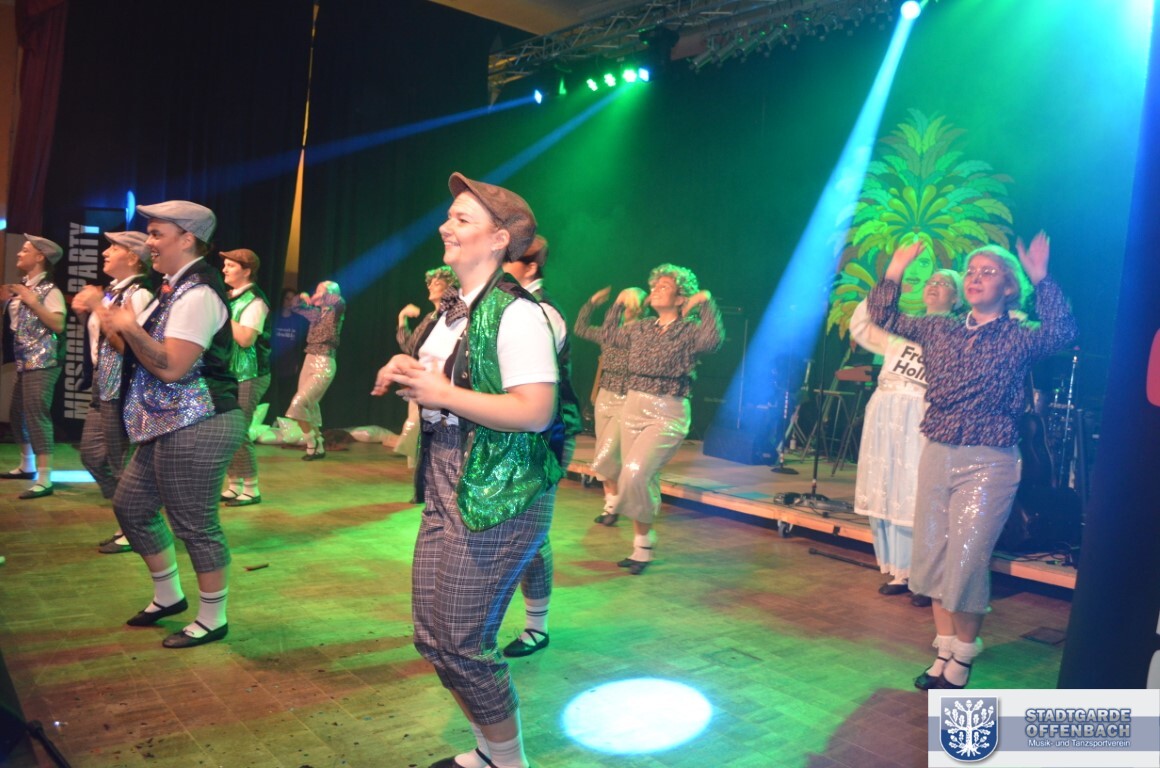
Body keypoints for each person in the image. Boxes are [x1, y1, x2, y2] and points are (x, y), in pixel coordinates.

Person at [372, 172, 560, 768]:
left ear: (500, 238)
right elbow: (450, 379)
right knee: (433, 638)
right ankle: (490, 752)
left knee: (460, 642)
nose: (444, 227)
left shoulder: (517, 314)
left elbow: (535, 411)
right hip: (448, 475)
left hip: (498, 487)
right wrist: (407, 367)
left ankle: (509, 763)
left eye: (461, 219)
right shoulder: (455, 310)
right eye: (448, 216)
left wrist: (442, 393)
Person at [868, 234, 1076, 689]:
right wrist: (896, 267)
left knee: (966, 560)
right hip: (937, 451)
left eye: (989, 272)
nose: (976, 277)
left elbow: (1062, 333)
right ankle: (943, 649)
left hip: (989, 460)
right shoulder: (939, 328)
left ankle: (963, 654)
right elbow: (882, 315)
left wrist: (1041, 278)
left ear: (1008, 287)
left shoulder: (1018, 336)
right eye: (971, 271)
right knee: (932, 556)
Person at [99, 200, 245, 649]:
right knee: (131, 506)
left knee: (195, 525)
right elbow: (141, 357)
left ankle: (213, 618)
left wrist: (128, 327)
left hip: (199, 420)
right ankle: (169, 596)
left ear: (187, 239)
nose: (149, 243)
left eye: (157, 234)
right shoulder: (173, 289)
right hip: (168, 421)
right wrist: (117, 326)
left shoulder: (198, 294)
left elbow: (172, 367)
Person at [849, 268, 963, 605]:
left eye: (944, 283)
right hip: (886, 410)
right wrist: (890, 284)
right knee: (887, 486)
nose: (934, 286)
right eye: (931, 281)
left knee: (916, 491)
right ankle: (900, 571)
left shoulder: (959, 333)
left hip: (922, 412)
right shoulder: (904, 326)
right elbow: (862, 326)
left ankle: (925, 577)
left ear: (956, 298)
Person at [608, 264, 724, 574]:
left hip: (667, 411)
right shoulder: (642, 326)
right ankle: (642, 545)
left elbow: (712, 342)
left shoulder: (689, 329)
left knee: (634, 474)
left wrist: (706, 302)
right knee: (641, 477)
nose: (656, 289)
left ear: (681, 297)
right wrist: (618, 304)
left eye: (664, 286)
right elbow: (608, 336)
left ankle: (642, 538)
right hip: (634, 406)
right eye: (655, 286)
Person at [499, 234, 582, 658]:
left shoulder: (541, 311)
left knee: (531, 535)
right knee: (516, 530)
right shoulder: (508, 306)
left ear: (530, 266)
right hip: (516, 430)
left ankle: (537, 626)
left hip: (547, 433)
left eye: (508, 261)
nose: (499, 268)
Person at [71, 232, 155, 553]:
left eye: (114, 247)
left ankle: (133, 525)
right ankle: (132, 515)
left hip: (123, 386)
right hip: (103, 382)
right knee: (92, 455)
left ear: (133, 257)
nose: (105, 252)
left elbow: (131, 350)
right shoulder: (112, 292)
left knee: (121, 462)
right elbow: (100, 341)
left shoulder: (140, 295)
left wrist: (98, 307)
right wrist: (87, 310)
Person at [574, 284, 647, 525]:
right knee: (603, 452)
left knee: (609, 453)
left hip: (628, 398)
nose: (623, 307)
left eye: (626, 302)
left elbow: (615, 334)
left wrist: (616, 306)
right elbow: (581, 328)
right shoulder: (610, 332)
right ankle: (611, 506)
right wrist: (591, 303)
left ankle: (616, 505)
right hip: (606, 395)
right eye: (621, 303)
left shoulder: (643, 332)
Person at [2, 234, 66, 499]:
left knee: (36, 415)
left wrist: (32, 301)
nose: (19, 253)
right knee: (18, 412)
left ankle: (44, 478)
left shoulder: (50, 291)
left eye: (25, 250)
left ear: (40, 257)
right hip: (25, 361)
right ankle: (27, 465)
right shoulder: (23, 288)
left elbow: (58, 324)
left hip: (44, 362)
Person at [220, 249, 271, 506]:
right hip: (231, 374)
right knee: (227, 431)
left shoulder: (255, 300)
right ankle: (234, 484)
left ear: (247, 271)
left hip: (249, 374)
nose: (224, 269)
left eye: (231, 265)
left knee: (238, 431)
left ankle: (252, 488)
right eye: (225, 265)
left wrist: (222, 313)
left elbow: (245, 338)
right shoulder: (231, 297)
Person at [394, 265, 458, 467]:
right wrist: (402, 319)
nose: (431, 286)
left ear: (450, 287)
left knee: (418, 432)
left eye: (437, 282)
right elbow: (409, 346)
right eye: (430, 282)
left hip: (438, 384)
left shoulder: (454, 316)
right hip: (418, 381)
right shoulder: (429, 318)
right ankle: (419, 482)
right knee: (415, 451)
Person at [286, 280, 344, 459]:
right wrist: (301, 297)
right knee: (310, 406)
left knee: (299, 403)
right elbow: (295, 307)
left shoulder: (336, 312)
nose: (316, 294)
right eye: (316, 290)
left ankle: (312, 442)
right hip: (309, 359)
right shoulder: (316, 313)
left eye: (321, 291)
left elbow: (339, 300)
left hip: (324, 361)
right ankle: (318, 443)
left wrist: (321, 296)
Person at [269, 287, 309, 419]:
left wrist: (297, 362)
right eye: (287, 299)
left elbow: (300, 344)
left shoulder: (298, 320)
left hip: (289, 363)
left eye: (292, 299)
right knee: (272, 393)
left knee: (286, 393)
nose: (289, 302)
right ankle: (271, 419)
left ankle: (283, 419)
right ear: (282, 300)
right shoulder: (274, 317)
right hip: (273, 362)